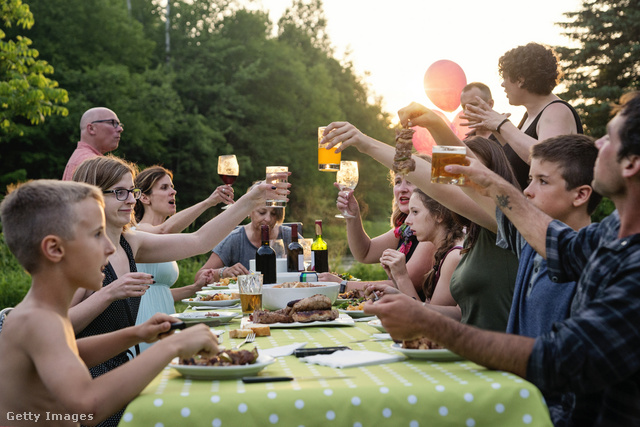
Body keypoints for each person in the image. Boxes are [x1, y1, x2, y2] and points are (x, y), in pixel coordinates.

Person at [365, 92, 640, 426]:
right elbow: (560, 244)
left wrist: (428, 323)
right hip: (521, 402)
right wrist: (490, 181)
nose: (598, 143)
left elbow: (561, 359)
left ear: (631, 163)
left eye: (608, 137)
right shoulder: (605, 233)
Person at [69, 155, 287, 425]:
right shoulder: (79, 254)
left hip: (126, 372)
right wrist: (108, 293)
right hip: (88, 385)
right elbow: (57, 329)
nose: (131, 200)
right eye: (120, 192)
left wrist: (250, 201)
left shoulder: (130, 241)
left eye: (133, 192)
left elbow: (200, 240)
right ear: (91, 198)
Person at [0, 180, 218, 426]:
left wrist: (136, 333)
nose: (108, 247)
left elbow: (72, 352)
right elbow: (88, 407)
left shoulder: (43, 313)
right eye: (96, 234)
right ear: (54, 249)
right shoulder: (36, 320)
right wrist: (172, 346)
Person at [322, 123, 519, 331]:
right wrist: (404, 301)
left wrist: (366, 143)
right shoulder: (473, 234)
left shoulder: (501, 223)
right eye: (457, 173)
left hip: (495, 352)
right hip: (469, 348)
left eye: (469, 174)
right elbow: (463, 313)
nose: (460, 183)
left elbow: (438, 184)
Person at [132, 165, 235, 352]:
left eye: (172, 187)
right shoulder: (137, 231)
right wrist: (208, 202)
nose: (173, 191)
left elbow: (159, 292)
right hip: (144, 322)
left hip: (166, 319)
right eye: (164, 188)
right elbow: (164, 231)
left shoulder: (163, 240)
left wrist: (194, 289)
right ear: (144, 198)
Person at [459, 43, 584, 190]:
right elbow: (517, 158)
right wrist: (496, 130)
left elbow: (548, 160)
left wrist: (502, 125)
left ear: (520, 80)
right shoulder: (529, 115)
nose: (502, 84)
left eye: (505, 77)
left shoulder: (556, 111)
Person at [318, 171, 436, 298]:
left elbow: (405, 285)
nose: (401, 189)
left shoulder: (430, 234)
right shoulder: (405, 230)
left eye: (410, 181)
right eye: (397, 182)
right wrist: (353, 215)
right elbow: (365, 252)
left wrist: (342, 285)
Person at [195, 182, 297, 281]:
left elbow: (311, 267)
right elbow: (199, 277)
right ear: (249, 212)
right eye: (262, 212)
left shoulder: (289, 235)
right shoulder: (234, 239)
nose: (268, 219)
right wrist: (223, 272)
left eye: (274, 214)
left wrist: (295, 262)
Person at [378, 189, 464, 304]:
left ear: (438, 215)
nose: (407, 221)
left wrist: (402, 276)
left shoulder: (453, 257)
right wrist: (395, 278)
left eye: (415, 212)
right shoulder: (444, 251)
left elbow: (432, 319)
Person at [62, 107, 123, 181]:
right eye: (112, 123)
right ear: (91, 128)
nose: (120, 129)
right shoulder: (90, 164)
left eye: (119, 124)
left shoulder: (81, 160)